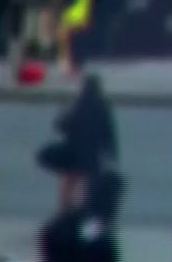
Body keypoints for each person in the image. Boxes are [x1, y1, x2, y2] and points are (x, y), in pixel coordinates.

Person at [38, 73, 115, 211]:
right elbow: (108, 131)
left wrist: (62, 115)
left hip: (73, 150)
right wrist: (111, 152)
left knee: (69, 179)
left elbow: (62, 126)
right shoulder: (102, 107)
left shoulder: (78, 105)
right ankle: (80, 209)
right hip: (91, 152)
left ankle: (65, 208)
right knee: (86, 182)